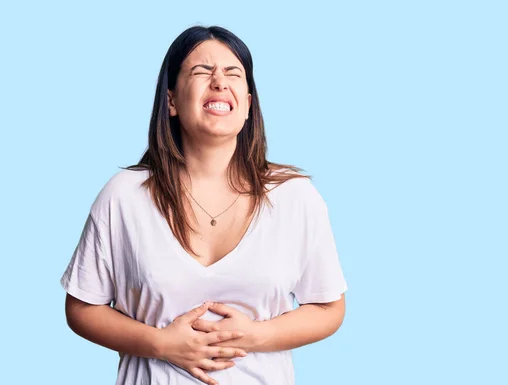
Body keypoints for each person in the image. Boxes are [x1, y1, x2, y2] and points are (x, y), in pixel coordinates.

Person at [60, 25, 347, 385]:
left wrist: (257, 335)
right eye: (201, 71)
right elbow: (82, 308)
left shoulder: (295, 197)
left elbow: (328, 308)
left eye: (233, 73)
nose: (219, 82)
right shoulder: (124, 196)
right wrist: (159, 344)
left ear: (247, 104)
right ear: (171, 101)